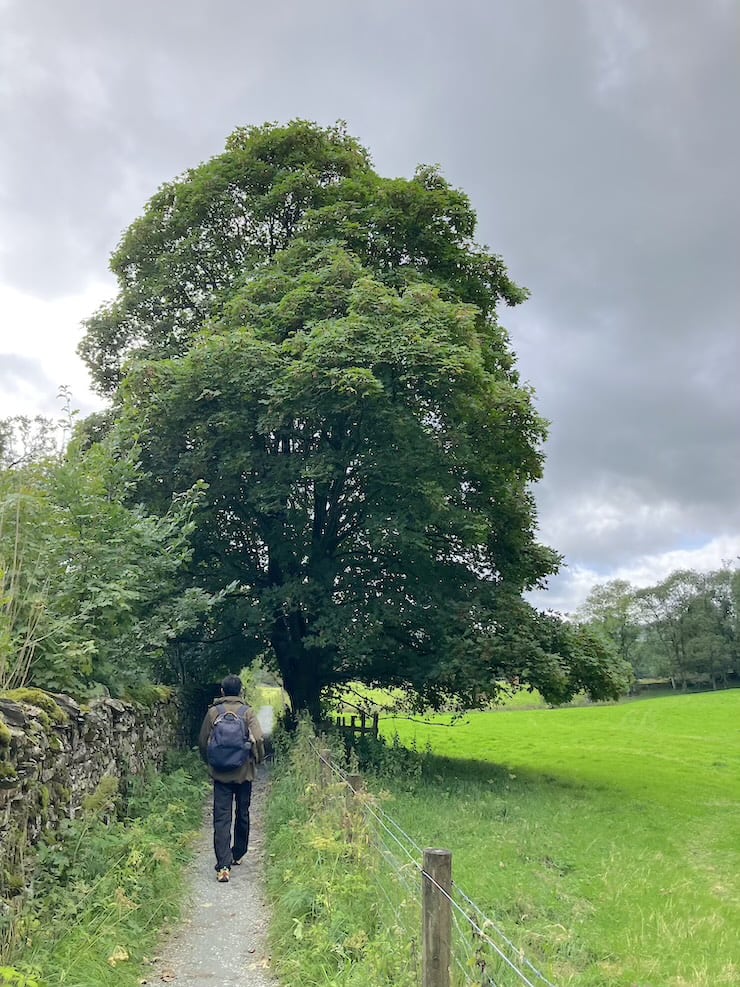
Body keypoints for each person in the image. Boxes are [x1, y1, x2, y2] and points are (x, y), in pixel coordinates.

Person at [198, 674, 265, 883]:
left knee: (221, 817)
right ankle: (238, 853)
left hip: (220, 773)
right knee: (242, 813)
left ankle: (223, 865)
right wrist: (258, 759)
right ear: (241, 691)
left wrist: (209, 760)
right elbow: (260, 738)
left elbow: (202, 741)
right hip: (244, 772)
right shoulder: (248, 712)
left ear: (222, 692)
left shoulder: (213, 712)